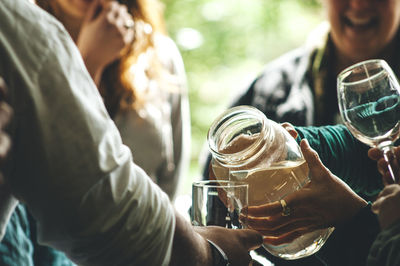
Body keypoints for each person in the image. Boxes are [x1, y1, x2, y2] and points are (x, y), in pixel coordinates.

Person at [0, 0, 263, 265]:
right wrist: (88, 63)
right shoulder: (25, 34)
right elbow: (81, 182)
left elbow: (168, 182)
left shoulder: (160, 56)